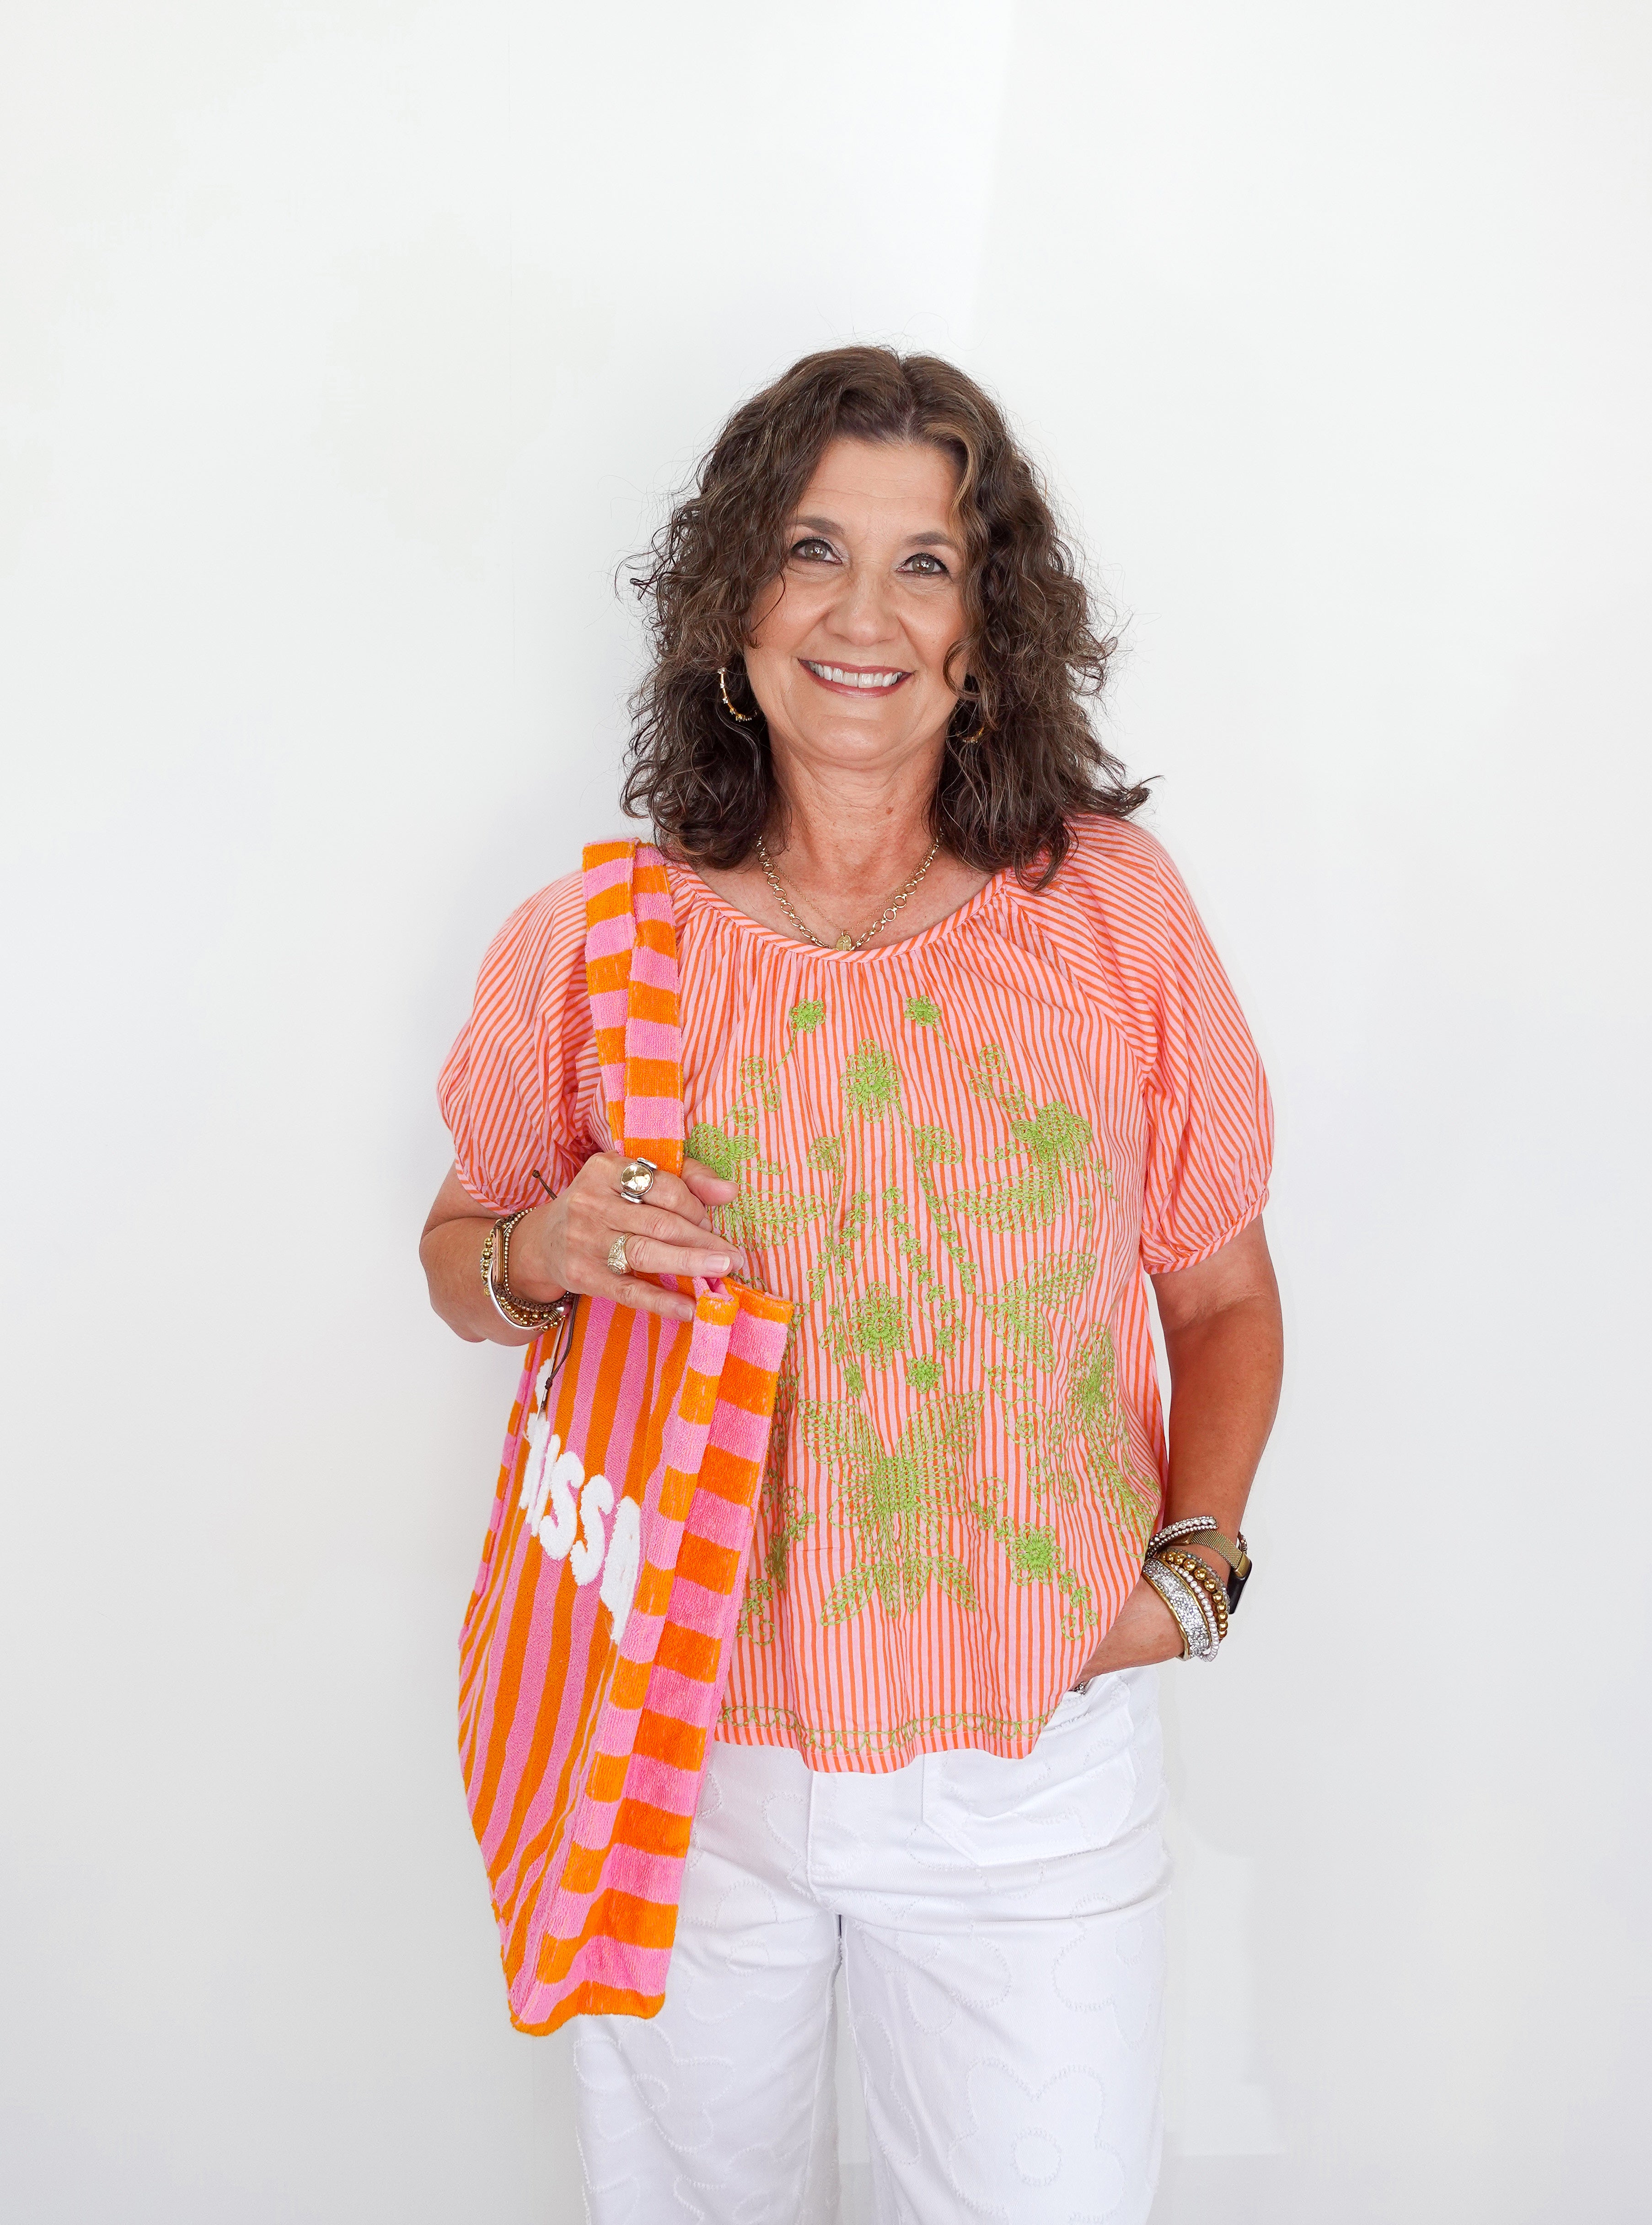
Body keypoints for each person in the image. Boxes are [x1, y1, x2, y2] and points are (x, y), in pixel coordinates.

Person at [420, 346, 1282, 2224]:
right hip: (679, 1753)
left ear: (990, 629)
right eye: (813, 548)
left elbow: (1221, 1293)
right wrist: (534, 1250)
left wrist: (1192, 1580)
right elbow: (462, 1252)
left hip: (1028, 1764)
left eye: (927, 561)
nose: (864, 610)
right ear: (736, 603)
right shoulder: (599, 946)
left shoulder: (1109, 914)